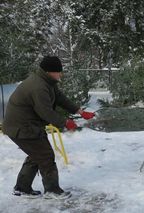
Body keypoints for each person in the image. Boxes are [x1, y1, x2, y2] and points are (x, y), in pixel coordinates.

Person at [2, 56, 95, 199]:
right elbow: (45, 112)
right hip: (22, 127)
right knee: (45, 156)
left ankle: (22, 188)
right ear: (49, 72)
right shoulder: (39, 87)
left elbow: (60, 98)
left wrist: (80, 111)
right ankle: (52, 191)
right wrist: (65, 122)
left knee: (36, 155)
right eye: (58, 71)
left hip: (25, 125)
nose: (60, 74)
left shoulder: (47, 82)